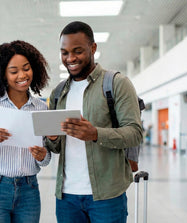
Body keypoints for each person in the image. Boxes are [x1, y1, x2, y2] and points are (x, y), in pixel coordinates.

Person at [45, 21, 143, 223]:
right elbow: (54, 147)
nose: (70, 58)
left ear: (93, 48)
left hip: (107, 196)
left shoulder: (116, 83)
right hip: (66, 197)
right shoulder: (58, 93)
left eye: (77, 51)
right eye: (64, 52)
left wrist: (96, 134)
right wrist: (52, 138)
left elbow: (135, 133)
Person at [0, 40, 51, 223]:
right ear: (3, 75)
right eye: (14, 71)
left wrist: (42, 155)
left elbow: (46, 159)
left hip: (29, 188)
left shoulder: (40, 108)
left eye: (26, 68)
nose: (22, 75)